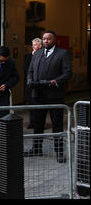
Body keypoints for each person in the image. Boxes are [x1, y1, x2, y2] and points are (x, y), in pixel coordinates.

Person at [25, 30, 73, 163]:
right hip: (38, 94)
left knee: (57, 124)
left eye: (49, 39)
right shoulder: (38, 53)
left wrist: (55, 81)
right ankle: (36, 148)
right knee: (37, 124)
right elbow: (30, 70)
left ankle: (59, 152)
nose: (46, 41)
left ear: (54, 40)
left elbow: (68, 73)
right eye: (44, 38)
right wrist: (29, 79)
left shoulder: (63, 53)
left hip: (54, 95)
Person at [24, 38, 42, 129]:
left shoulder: (43, 55)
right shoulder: (28, 56)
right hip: (30, 84)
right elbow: (26, 68)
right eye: (32, 45)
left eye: (35, 45)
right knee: (30, 103)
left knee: (38, 105)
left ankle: (38, 123)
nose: (33, 46)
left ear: (40, 46)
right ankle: (32, 122)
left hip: (38, 84)